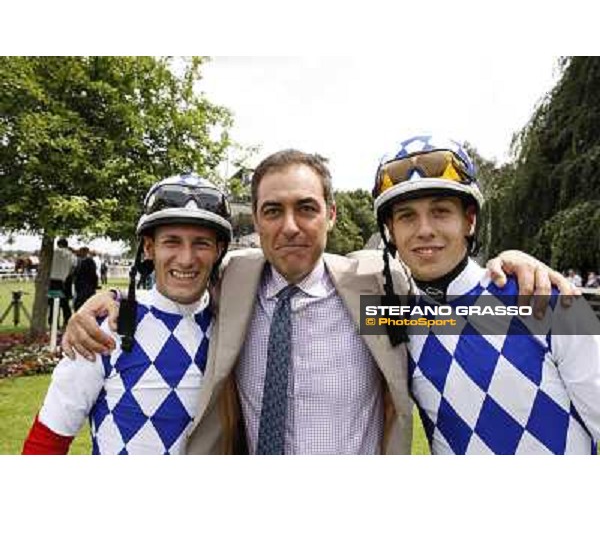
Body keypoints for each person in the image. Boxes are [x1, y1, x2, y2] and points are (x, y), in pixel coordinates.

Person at [62, 150, 577, 455]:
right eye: (273, 211)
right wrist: (109, 299)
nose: (290, 226)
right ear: (255, 223)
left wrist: (516, 267)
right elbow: (176, 280)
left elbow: (458, 294)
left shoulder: (375, 292)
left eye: (306, 208)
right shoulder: (233, 284)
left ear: (331, 215)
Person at [372, 134, 600, 454]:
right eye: (407, 215)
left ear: (469, 220)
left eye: (440, 211)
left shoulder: (547, 298)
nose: (424, 229)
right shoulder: (389, 318)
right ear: (390, 231)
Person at [22, 173, 232, 454]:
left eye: (201, 243)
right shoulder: (104, 326)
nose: (186, 258)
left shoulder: (232, 323)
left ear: (219, 250)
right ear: (148, 247)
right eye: (171, 241)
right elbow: (47, 440)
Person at [47, 237, 76, 327]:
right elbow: (73, 268)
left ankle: (53, 323)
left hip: (53, 281)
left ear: (58, 244)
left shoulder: (52, 253)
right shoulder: (71, 255)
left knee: (53, 304)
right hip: (64, 282)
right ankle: (67, 321)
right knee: (65, 304)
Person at [73, 246, 99, 311]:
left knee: (80, 304)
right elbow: (94, 275)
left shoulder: (82, 262)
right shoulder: (90, 261)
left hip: (83, 287)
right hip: (88, 287)